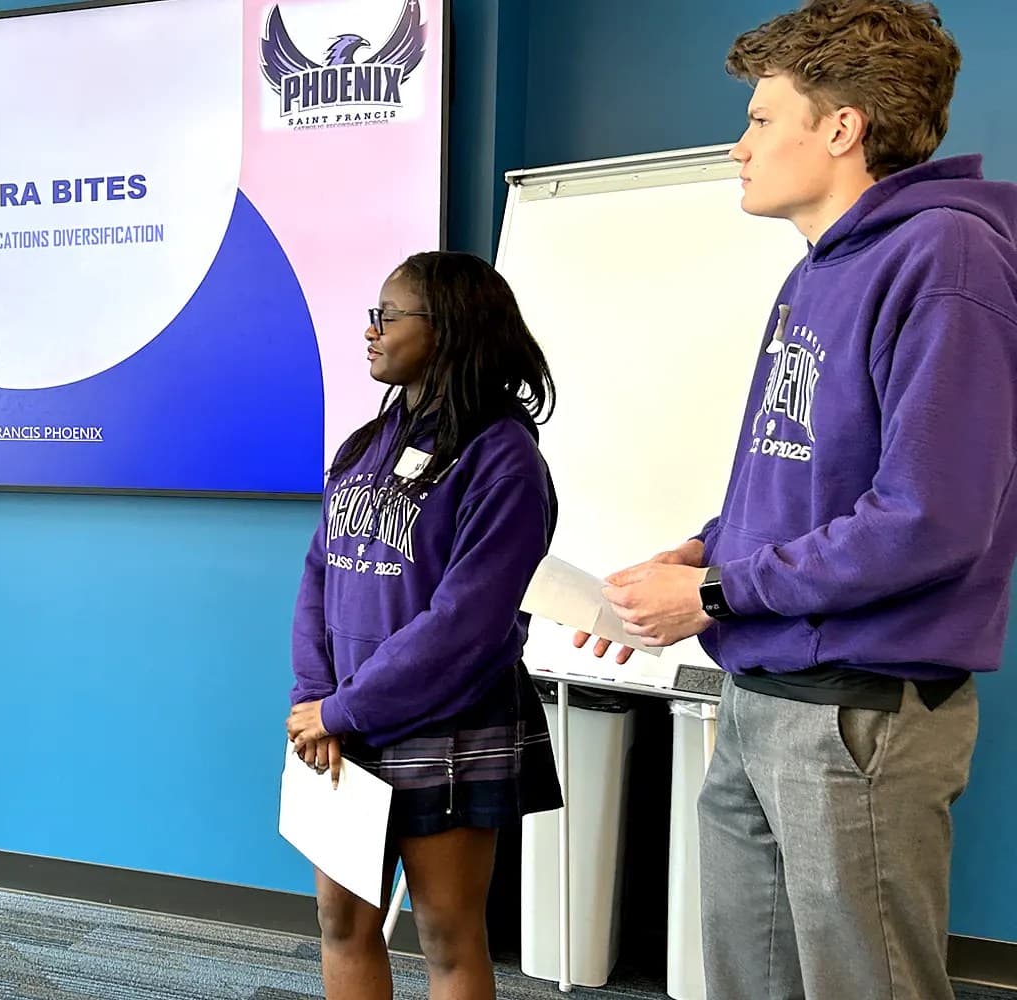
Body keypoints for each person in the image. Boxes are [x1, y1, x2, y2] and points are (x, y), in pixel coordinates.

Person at [585, 2, 1017, 997]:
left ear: (840, 128)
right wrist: (704, 551)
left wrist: (715, 594)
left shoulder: (944, 259)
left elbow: (930, 520)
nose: (737, 146)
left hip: (853, 713)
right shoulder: (819, 269)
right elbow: (804, 469)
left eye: (758, 118)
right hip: (761, 693)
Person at [286, 251, 561, 1000]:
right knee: (342, 922)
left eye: (388, 315)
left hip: (448, 722)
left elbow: (468, 622)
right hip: (343, 722)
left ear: (448, 328)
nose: (370, 331)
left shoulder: (503, 456)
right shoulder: (369, 443)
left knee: (446, 935)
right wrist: (316, 698)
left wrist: (343, 708)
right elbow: (320, 573)